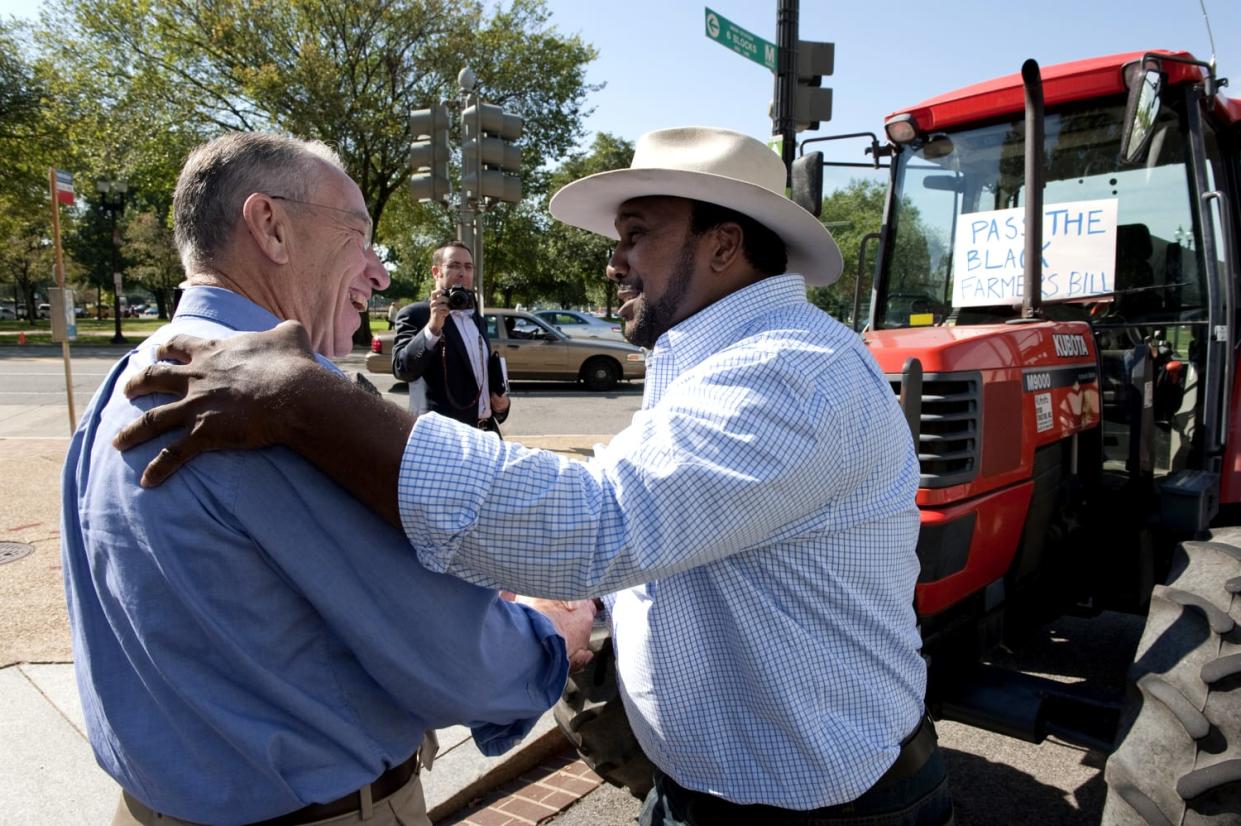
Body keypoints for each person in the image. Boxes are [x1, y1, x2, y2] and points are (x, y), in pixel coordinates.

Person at [115, 126, 949, 825]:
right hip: (723, 787)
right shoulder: (724, 363)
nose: (613, 265)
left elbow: (601, 526)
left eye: (636, 237)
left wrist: (313, 404)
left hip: (817, 803)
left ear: (724, 245)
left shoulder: (788, 372)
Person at [61, 132, 594, 826]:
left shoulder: (126, 379)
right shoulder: (267, 406)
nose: (378, 272)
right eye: (358, 238)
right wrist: (552, 630)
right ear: (270, 227)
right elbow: (457, 660)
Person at [391, 242, 509, 433]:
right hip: (444, 437)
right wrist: (432, 328)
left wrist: (502, 405)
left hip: (486, 433)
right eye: (454, 266)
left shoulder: (477, 319)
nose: (462, 273)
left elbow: (480, 377)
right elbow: (402, 370)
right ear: (436, 272)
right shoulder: (415, 315)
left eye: (468, 267)